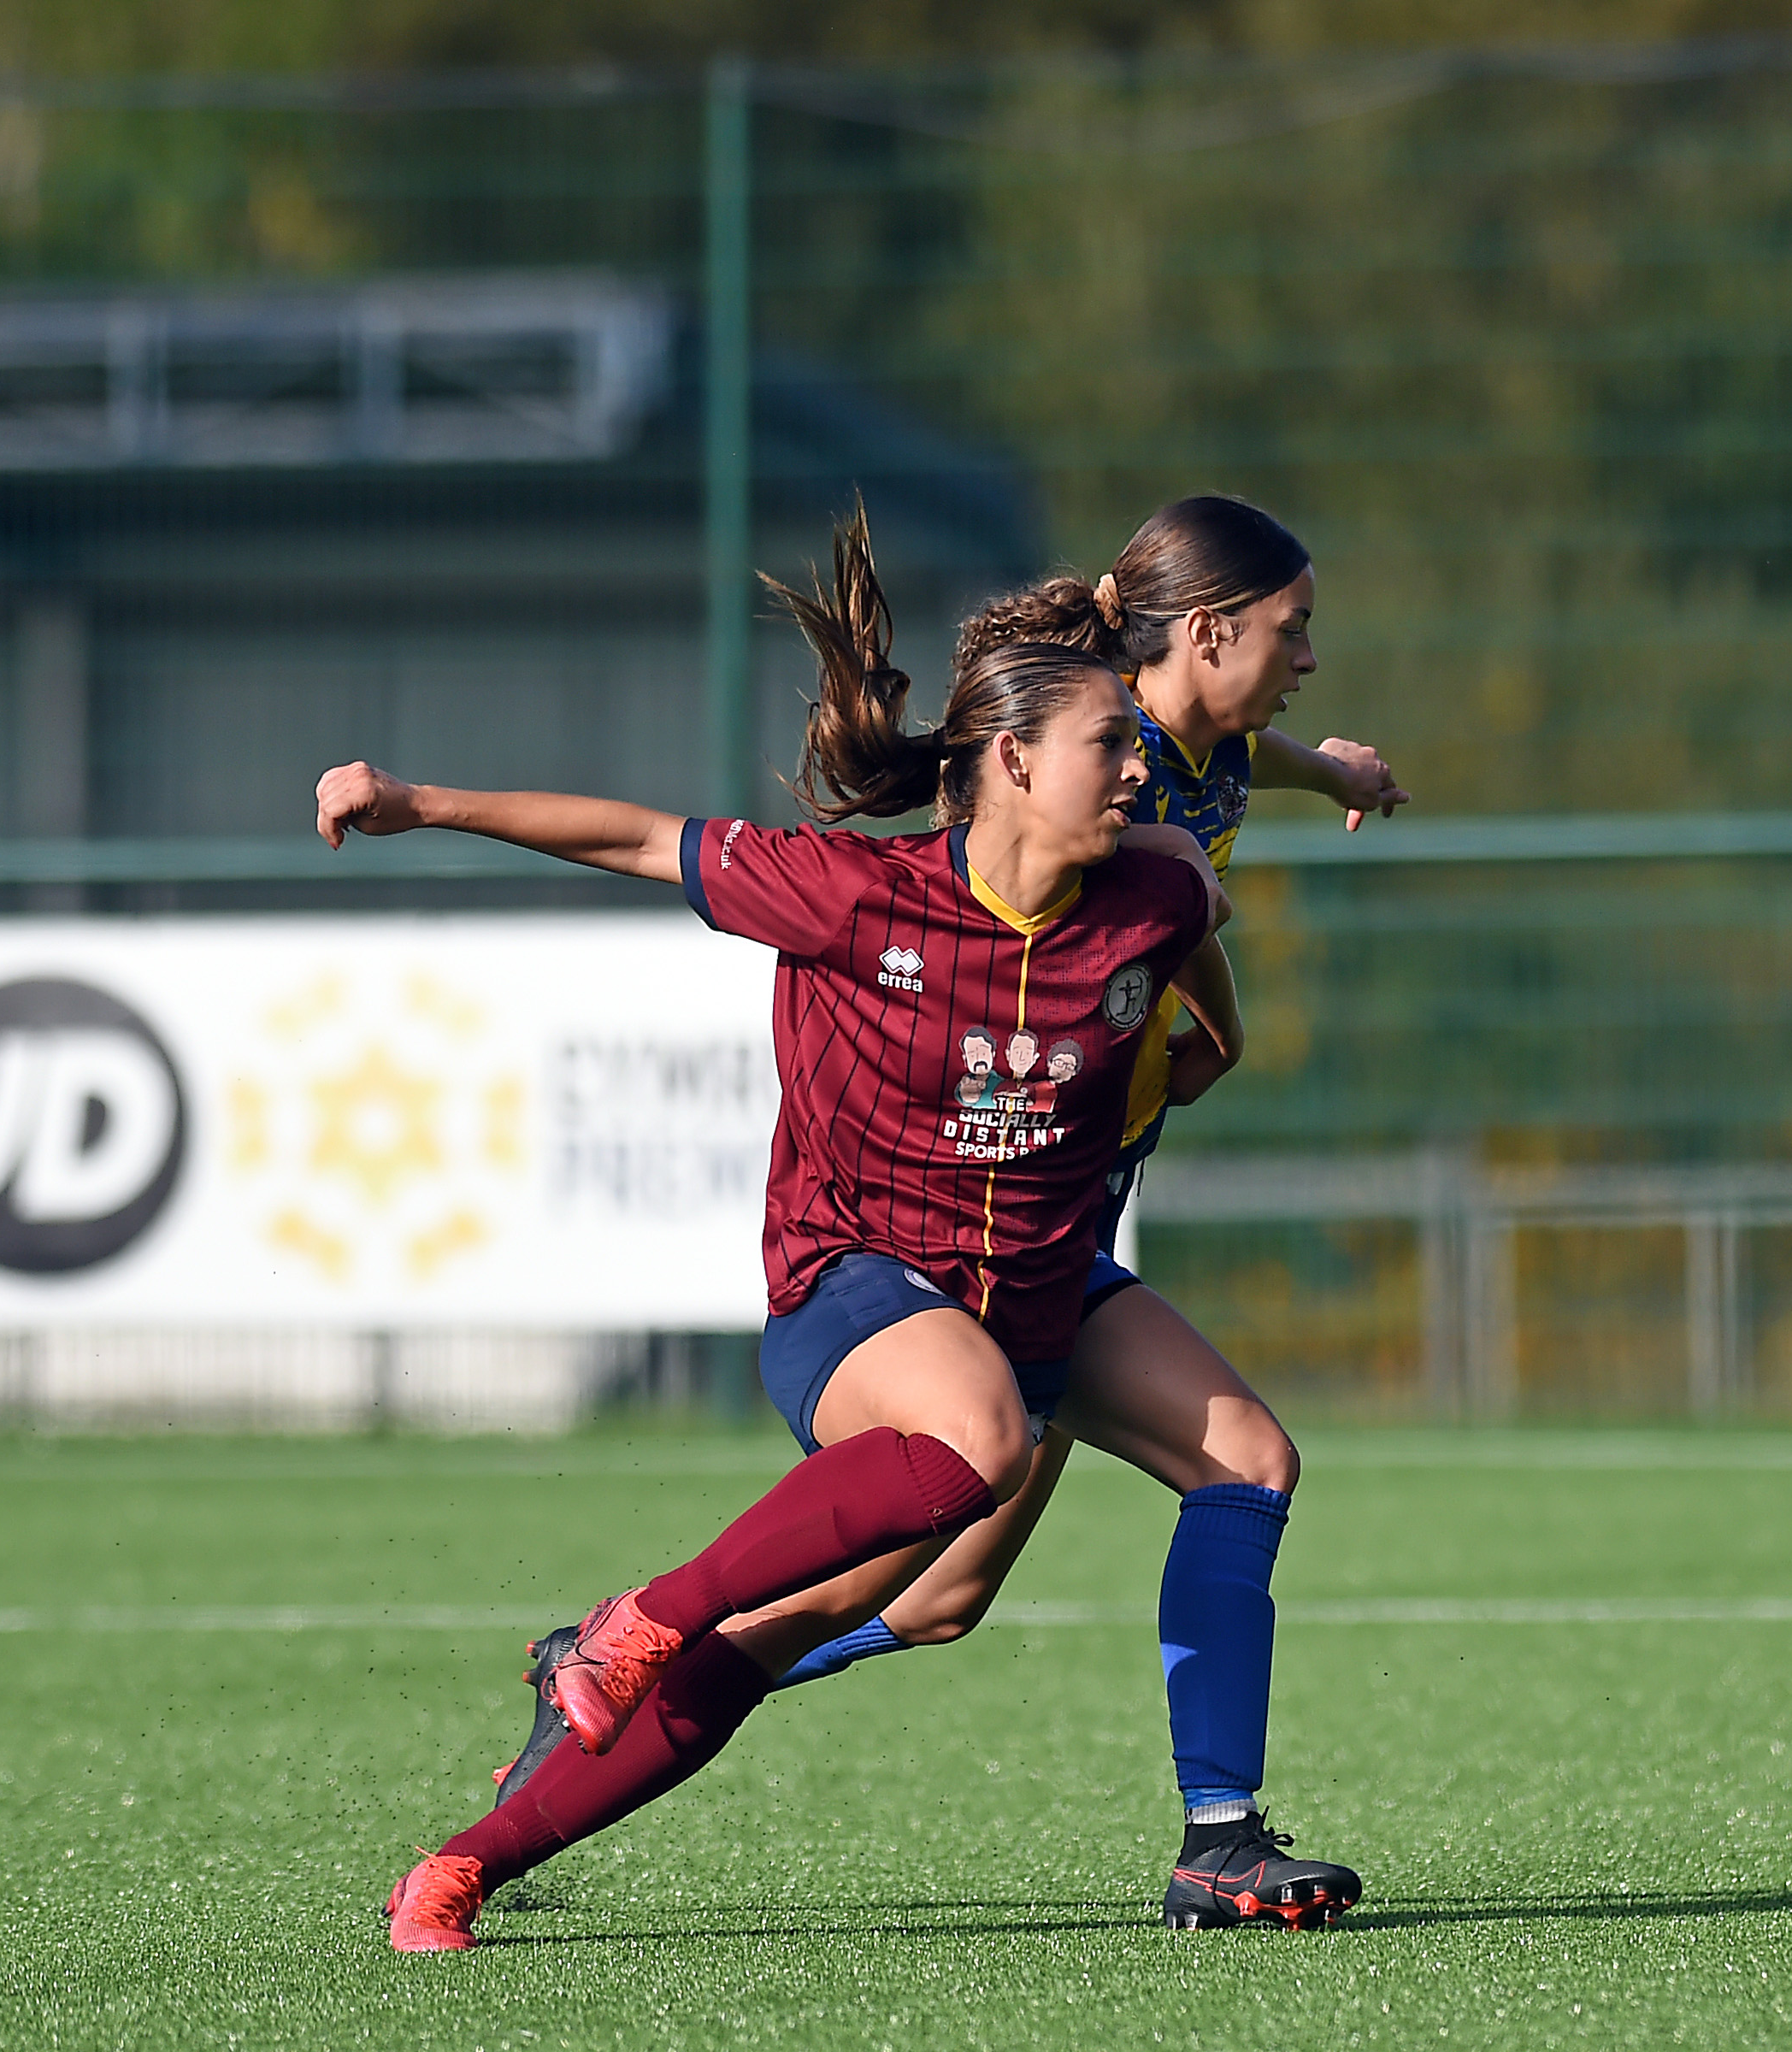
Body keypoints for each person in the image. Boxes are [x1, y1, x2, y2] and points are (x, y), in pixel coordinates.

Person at [327, 506, 1234, 1951]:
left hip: (1043, 1295)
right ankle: (641, 1619)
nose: (1140, 768)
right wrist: (422, 803)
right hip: (859, 1290)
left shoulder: (1156, 886)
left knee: (1186, 1483)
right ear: (1010, 760)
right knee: (975, 1442)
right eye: (1110, 745)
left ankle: (462, 1864)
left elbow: (1199, 937)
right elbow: (633, 834)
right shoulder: (849, 893)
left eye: (1138, 744)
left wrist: (1212, 1045)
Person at [747, 495, 1406, 1925]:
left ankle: (631, 1667)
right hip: (1007, 1220)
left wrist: (1326, 766)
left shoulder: (1192, 743)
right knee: (928, 1585)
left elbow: (1244, 759)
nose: (1309, 656)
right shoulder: (1115, 791)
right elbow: (1124, 883)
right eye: (1292, 632)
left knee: (937, 1597)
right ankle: (635, 1670)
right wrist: (1195, 1035)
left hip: (1076, 1198)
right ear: (1210, 631)